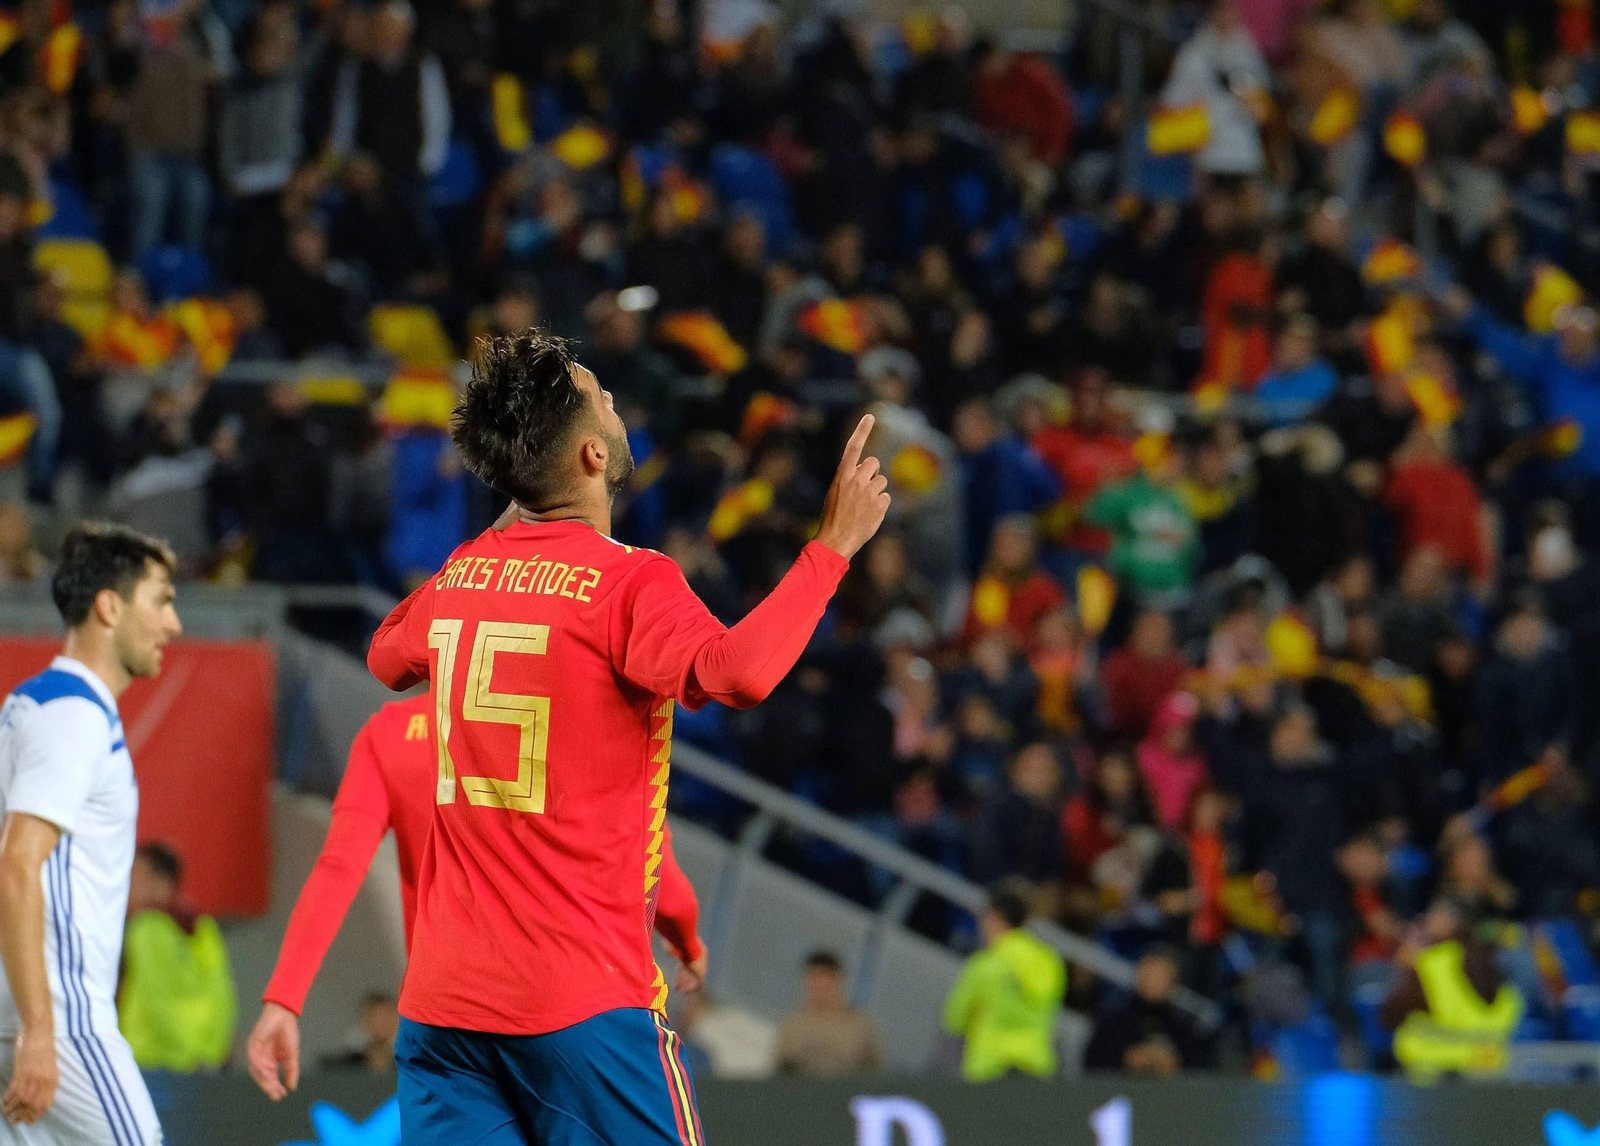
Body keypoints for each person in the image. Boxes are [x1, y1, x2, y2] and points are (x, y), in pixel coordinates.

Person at [364, 332, 889, 1143]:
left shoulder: (464, 572)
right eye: (601, 397)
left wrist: (512, 511)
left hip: (442, 1014)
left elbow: (385, 656)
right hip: (579, 1005)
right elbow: (736, 673)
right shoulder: (628, 581)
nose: (614, 405)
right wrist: (833, 549)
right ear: (591, 454)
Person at [247, 692, 709, 1100]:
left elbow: (339, 868)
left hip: (445, 1019)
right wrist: (687, 943)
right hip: (562, 1012)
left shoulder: (388, 734)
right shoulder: (570, 721)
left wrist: (284, 998)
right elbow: (651, 862)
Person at [0, 523, 182, 1142]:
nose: (173, 624)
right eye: (161, 600)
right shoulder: (74, 716)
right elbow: (18, 864)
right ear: (110, 606)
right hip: (62, 1021)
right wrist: (41, 1030)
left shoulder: (31, 703)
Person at [117, 844, 236, 1073]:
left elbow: (155, 996)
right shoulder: (203, 926)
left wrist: (183, 1055)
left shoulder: (144, 927)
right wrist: (210, 1051)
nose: (127, 886)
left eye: (135, 877)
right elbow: (223, 994)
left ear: (161, 882)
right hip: (201, 1061)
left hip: (150, 1059)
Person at [940, 882, 1066, 1082]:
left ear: (994, 916)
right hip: (1036, 1069)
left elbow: (955, 1019)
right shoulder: (1049, 962)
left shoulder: (985, 964)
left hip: (990, 1069)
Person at [1084, 946, 1209, 1074]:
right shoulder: (1113, 1020)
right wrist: (1127, 1059)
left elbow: (1202, 1070)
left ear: (1174, 981)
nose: (1153, 981)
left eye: (1160, 975)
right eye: (1148, 973)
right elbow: (1091, 1064)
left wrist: (1175, 1063)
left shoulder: (1184, 1027)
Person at [773, 952, 882, 1078]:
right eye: (812, 978)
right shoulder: (793, 1025)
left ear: (837, 980)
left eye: (823, 978)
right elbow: (781, 1068)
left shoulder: (860, 1025)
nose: (818, 985)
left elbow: (874, 1070)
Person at [319, 994, 400, 1073]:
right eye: (376, 1016)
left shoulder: (405, 1064)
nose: (383, 1023)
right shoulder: (340, 1066)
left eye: (389, 1015)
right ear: (365, 1020)